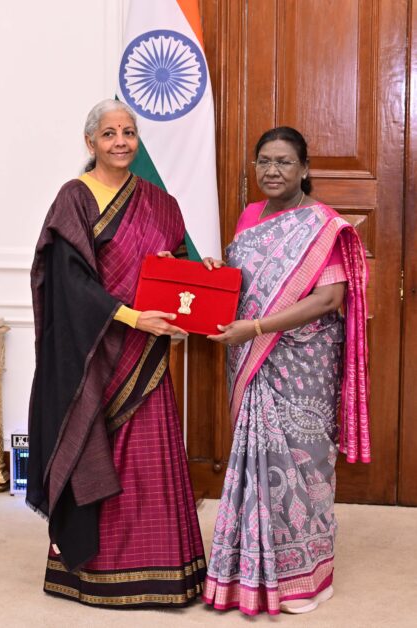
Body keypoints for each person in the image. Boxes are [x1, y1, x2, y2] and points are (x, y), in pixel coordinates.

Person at [27, 99, 206, 608]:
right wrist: (131, 317)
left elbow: (176, 266)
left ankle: (164, 571)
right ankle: (95, 573)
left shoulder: (159, 202)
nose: (121, 142)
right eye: (109, 134)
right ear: (91, 142)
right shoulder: (75, 198)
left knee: (150, 461)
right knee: (94, 449)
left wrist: (196, 273)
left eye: (128, 132)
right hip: (94, 354)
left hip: (145, 356)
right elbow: (69, 284)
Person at [202, 127, 370, 616]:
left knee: (303, 463)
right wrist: (213, 271)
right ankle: (249, 572)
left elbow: (328, 299)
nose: (272, 171)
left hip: (303, 362)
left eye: (284, 161)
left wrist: (256, 328)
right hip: (251, 355)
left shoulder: (323, 225)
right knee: (256, 462)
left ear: (304, 168)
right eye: (264, 161)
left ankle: (307, 577)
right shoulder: (250, 216)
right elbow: (245, 284)